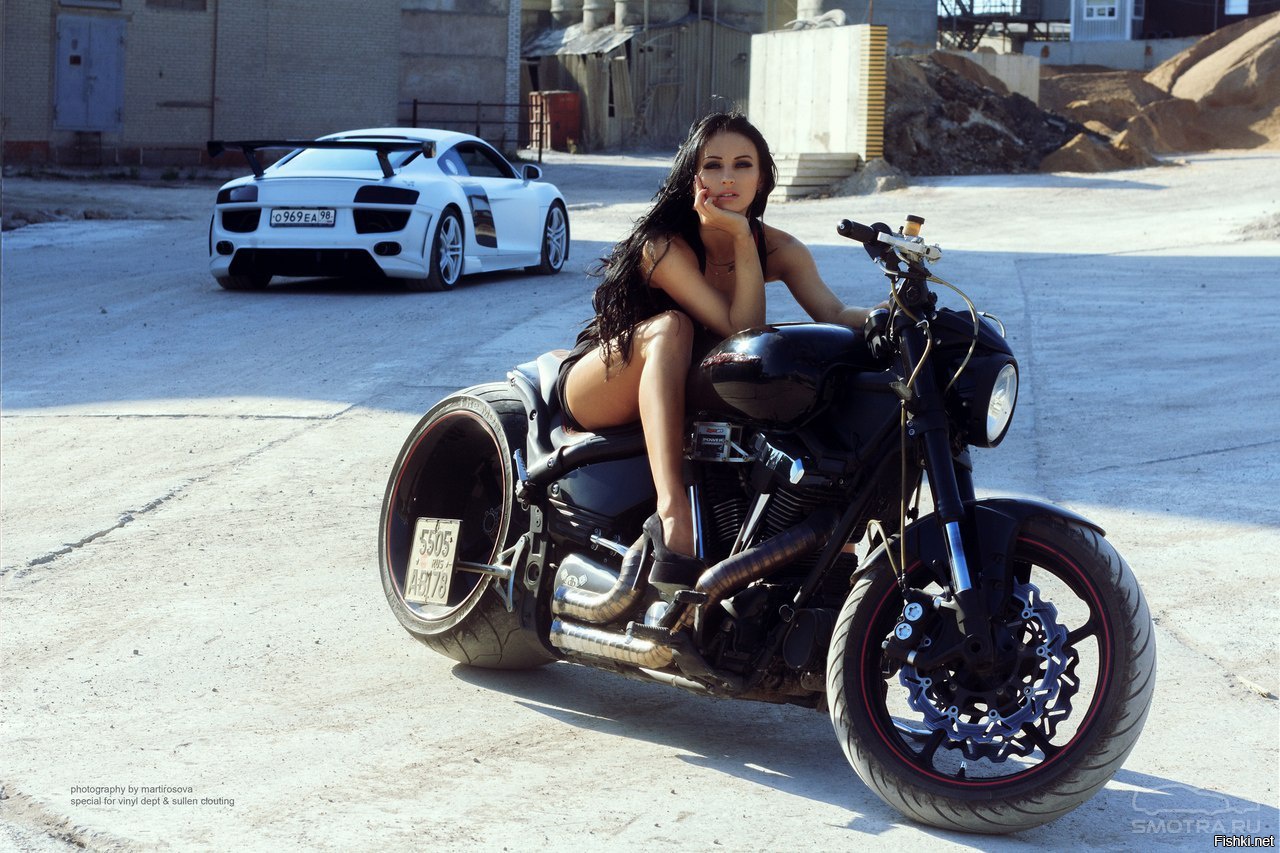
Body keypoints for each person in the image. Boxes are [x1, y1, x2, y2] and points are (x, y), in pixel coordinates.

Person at [556, 112, 876, 589]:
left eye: (743, 165)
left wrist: (891, 317)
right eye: (714, 165)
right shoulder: (663, 245)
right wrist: (742, 236)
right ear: (693, 175)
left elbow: (833, 310)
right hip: (606, 377)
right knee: (672, 327)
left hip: (685, 387)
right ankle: (672, 515)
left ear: (762, 176)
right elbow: (739, 330)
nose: (728, 178)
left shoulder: (784, 248)